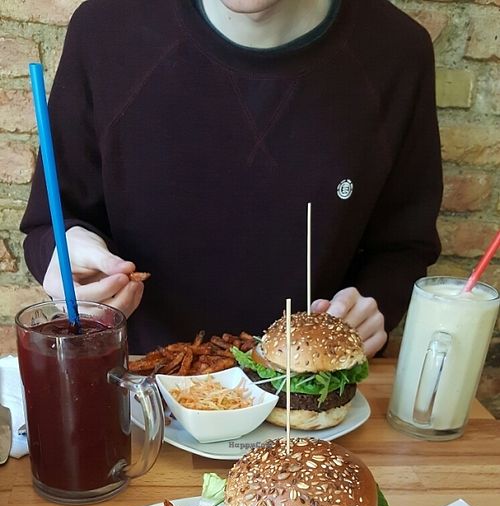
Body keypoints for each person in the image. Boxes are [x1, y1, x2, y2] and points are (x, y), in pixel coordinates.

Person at [20, 0, 443, 360]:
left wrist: (374, 306)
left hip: (311, 402)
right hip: (139, 395)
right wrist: (66, 257)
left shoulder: (398, 52)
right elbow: (49, 224)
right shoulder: (105, 29)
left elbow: (403, 247)